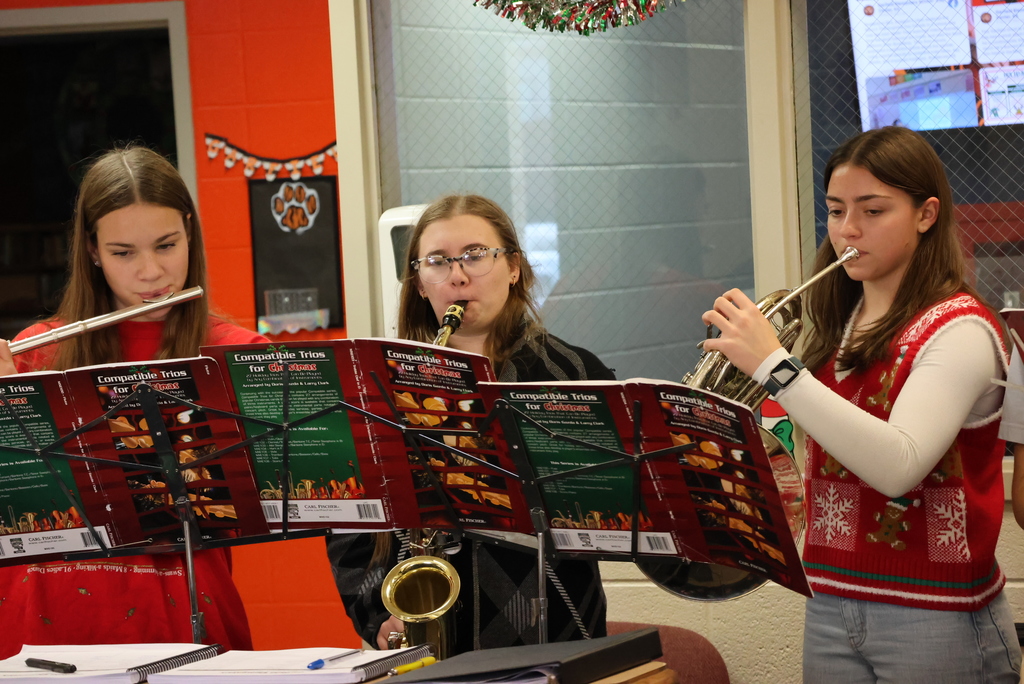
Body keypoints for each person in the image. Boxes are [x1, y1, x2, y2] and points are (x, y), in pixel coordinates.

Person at [700, 127, 1020, 683]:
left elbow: (897, 465)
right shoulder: (834, 323)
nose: (848, 229)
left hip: (937, 612)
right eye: (836, 210)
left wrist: (775, 367)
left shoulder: (961, 328)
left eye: (873, 211)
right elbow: (825, 441)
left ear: (926, 215)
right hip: (828, 596)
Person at [0, 146, 267, 658]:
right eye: (123, 253)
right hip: (42, 622)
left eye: (167, 245)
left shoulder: (237, 355)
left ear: (190, 232)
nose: (150, 272)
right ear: (93, 250)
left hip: (177, 618)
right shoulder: (35, 351)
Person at [327, 194, 613, 654]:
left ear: (514, 266)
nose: (457, 275)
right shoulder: (378, 385)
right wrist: (376, 616)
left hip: (554, 631)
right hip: (422, 642)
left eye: (476, 256)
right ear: (420, 283)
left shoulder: (575, 374)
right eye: (437, 262)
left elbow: (608, 512)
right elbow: (349, 521)